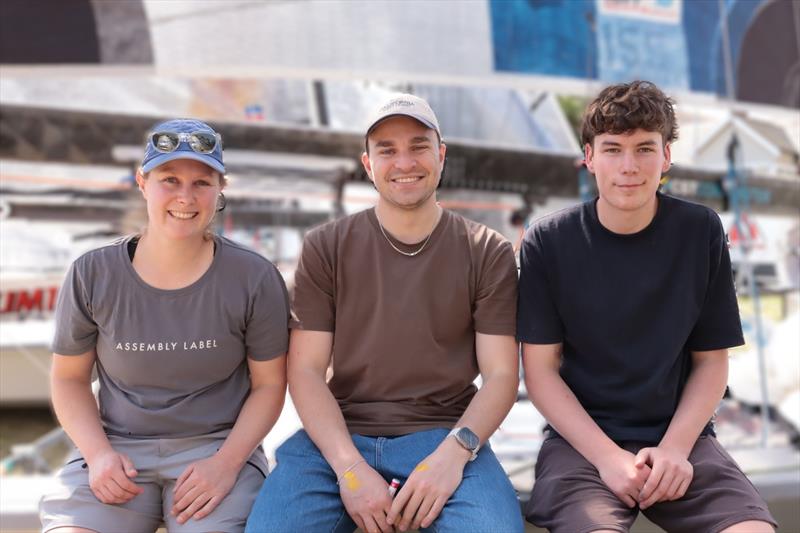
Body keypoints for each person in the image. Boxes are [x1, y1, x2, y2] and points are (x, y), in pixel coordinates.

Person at [246, 94, 523, 533]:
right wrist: (349, 468)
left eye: (418, 145)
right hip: (337, 437)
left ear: (441, 154)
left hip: (446, 434)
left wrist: (453, 456)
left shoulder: (486, 250)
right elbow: (306, 371)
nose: (404, 162)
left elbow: (503, 375)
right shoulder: (327, 246)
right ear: (368, 163)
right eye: (387, 150)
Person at [518, 80, 777, 533]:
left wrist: (676, 448)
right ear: (589, 157)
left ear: (666, 157)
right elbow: (539, 371)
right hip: (581, 442)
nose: (629, 167)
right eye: (613, 149)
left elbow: (712, 362)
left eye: (644, 149)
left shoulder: (701, 232)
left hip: (682, 435)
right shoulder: (548, 241)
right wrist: (607, 458)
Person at [40, 119, 290, 532]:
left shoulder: (255, 278)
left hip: (216, 452)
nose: (185, 197)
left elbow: (269, 386)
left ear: (221, 188)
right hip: (116, 451)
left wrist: (226, 465)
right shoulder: (92, 273)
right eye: (169, 179)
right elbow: (68, 379)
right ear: (142, 182)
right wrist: (98, 455)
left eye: (202, 183)